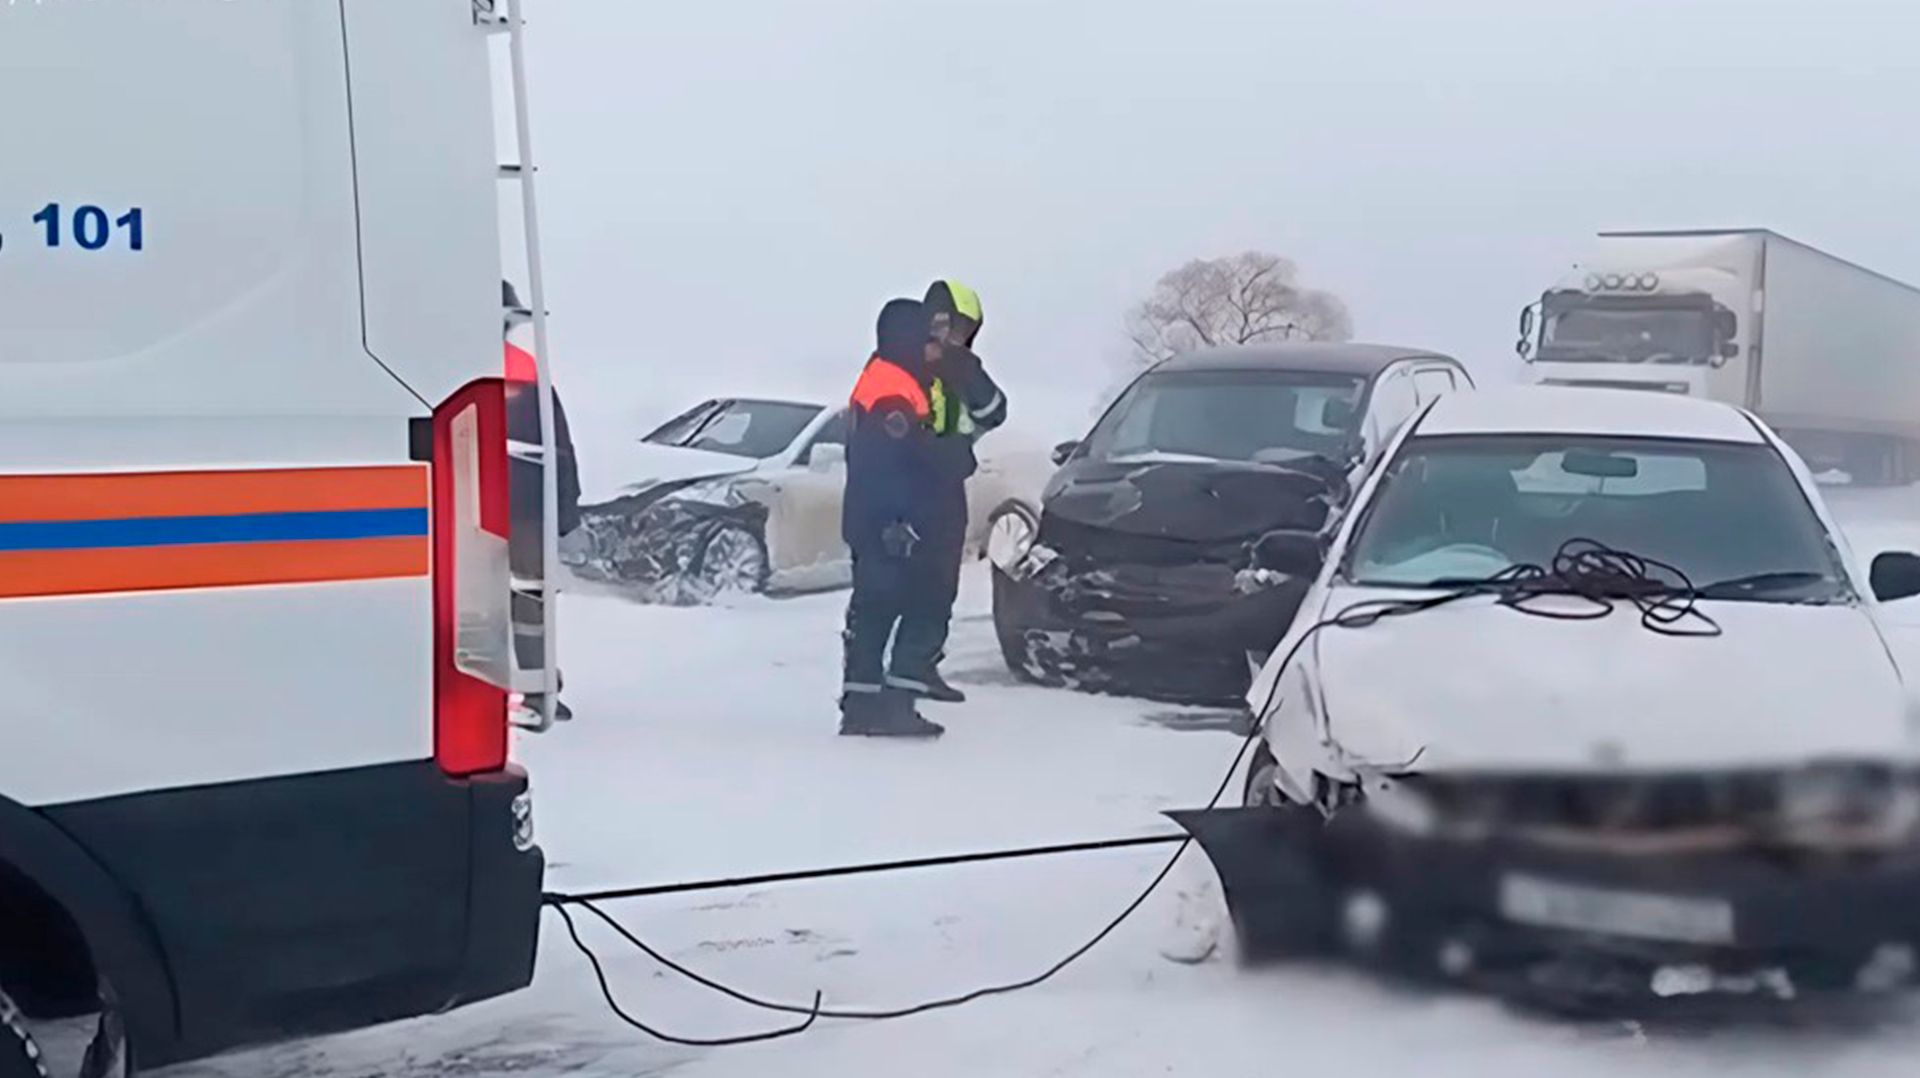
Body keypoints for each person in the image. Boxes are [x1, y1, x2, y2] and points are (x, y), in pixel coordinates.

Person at [882, 279, 1008, 704]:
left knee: (941, 584)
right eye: (951, 325)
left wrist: (966, 369)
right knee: (908, 585)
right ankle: (899, 669)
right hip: (911, 488)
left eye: (964, 330)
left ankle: (920, 665)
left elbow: (995, 410)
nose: (954, 336)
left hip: (946, 487)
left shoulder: (962, 367)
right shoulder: (906, 359)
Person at [840, 298, 949, 738]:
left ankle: (863, 706)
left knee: (873, 613)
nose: (934, 346)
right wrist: (896, 522)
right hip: (888, 524)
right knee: (913, 607)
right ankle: (893, 706)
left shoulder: (889, 378)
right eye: (928, 337)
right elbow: (885, 463)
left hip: (874, 520)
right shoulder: (892, 389)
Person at [503, 279, 582, 721]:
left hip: (510, 511)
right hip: (521, 511)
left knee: (526, 599)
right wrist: (566, 513)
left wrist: (566, 513)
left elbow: (558, 448)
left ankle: (535, 687)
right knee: (527, 599)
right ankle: (534, 687)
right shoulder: (525, 370)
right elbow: (560, 449)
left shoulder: (524, 371)